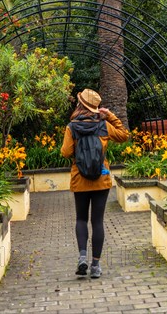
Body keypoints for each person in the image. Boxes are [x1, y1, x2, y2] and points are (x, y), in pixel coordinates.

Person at [61, 88, 129, 278]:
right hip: (101, 179)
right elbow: (123, 135)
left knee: (81, 219)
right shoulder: (104, 126)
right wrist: (110, 116)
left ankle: (82, 257)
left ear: (80, 104)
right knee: (97, 221)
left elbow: (66, 152)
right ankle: (96, 266)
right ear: (95, 107)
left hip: (79, 179)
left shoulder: (71, 127)